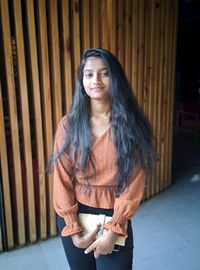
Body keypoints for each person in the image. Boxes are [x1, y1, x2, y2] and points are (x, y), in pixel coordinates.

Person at [51, 48, 155, 270]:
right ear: (82, 81)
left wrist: (113, 230)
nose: (95, 80)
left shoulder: (130, 126)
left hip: (114, 216)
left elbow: (132, 184)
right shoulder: (68, 125)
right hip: (75, 213)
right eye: (89, 74)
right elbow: (61, 179)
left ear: (115, 78)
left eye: (104, 73)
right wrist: (73, 230)